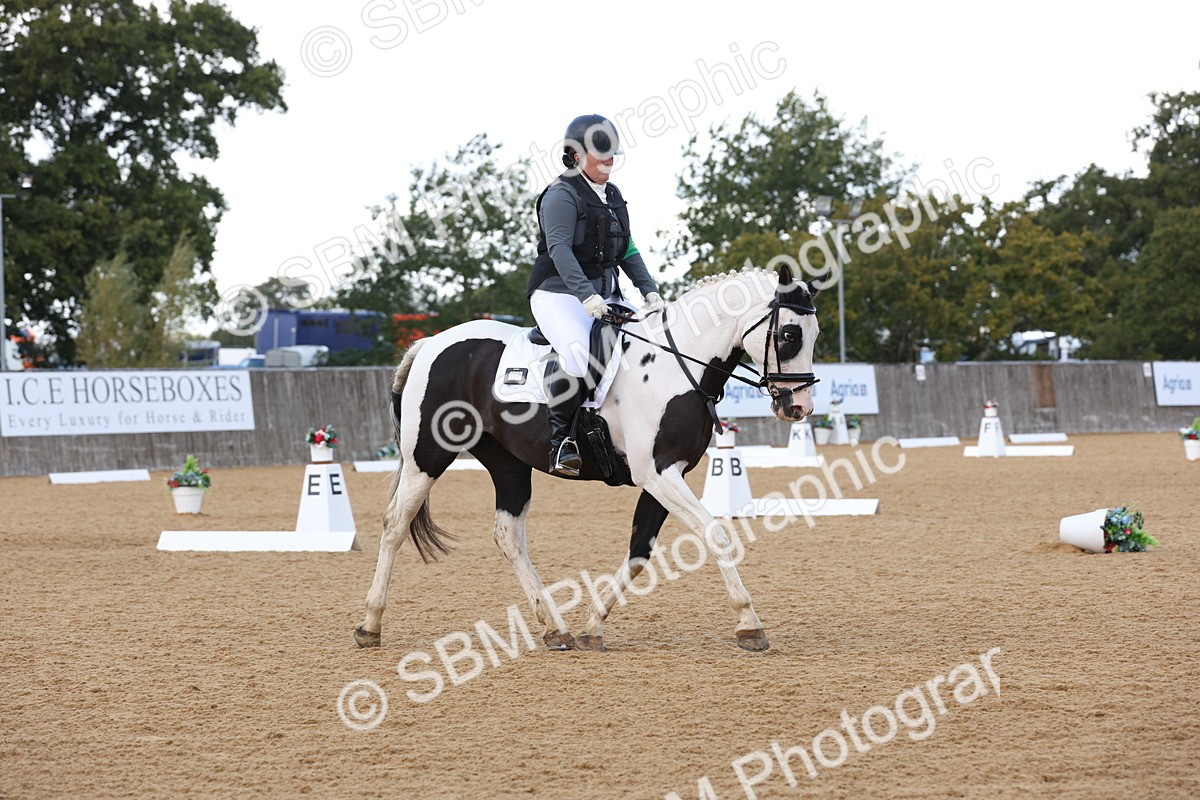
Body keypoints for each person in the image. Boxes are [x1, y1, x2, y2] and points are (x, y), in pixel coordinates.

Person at [528, 114, 666, 477]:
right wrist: (587, 296)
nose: (609, 161)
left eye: (612, 155)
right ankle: (562, 443)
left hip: (605, 292)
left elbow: (627, 248)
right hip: (558, 293)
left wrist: (649, 291)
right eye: (600, 155)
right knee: (577, 355)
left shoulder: (613, 195)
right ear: (575, 155)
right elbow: (559, 249)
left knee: (648, 344)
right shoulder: (561, 194)